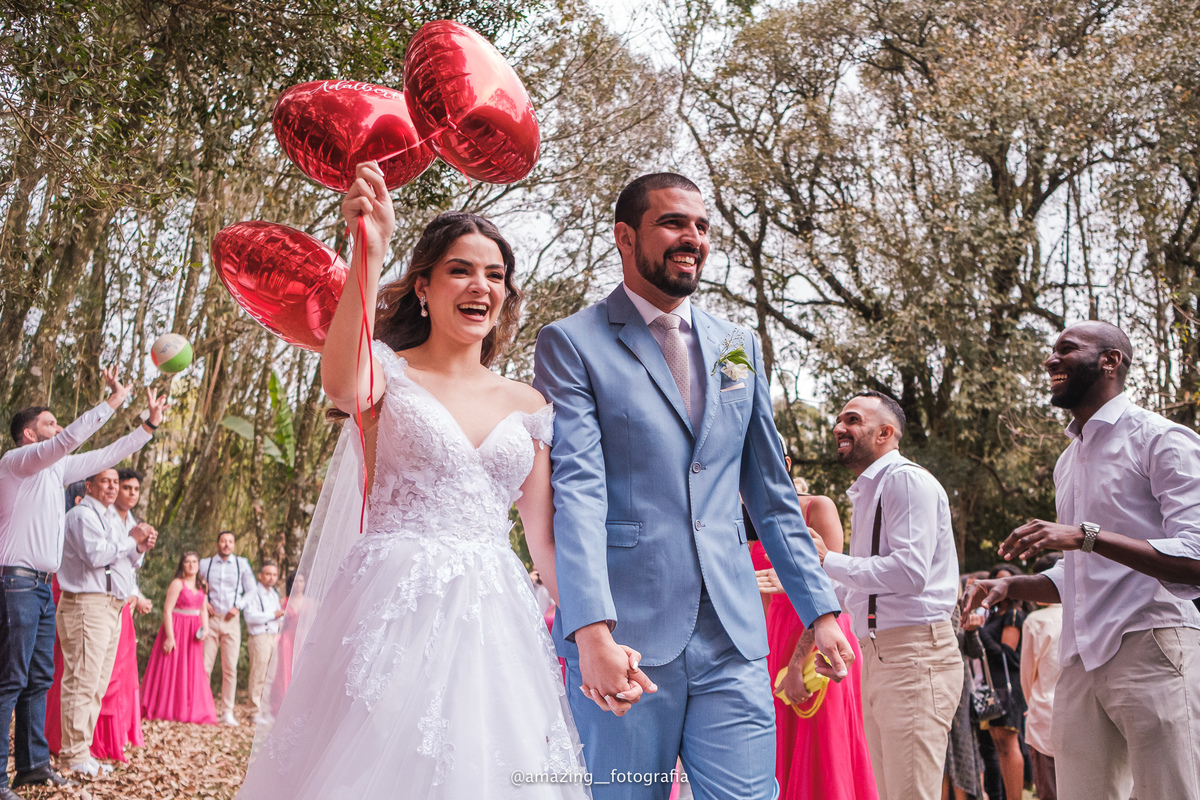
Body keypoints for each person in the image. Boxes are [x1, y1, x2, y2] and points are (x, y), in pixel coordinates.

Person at [237, 162, 587, 798]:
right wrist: (368, 251)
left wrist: (594, 634)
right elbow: (341, 384)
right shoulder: (385, 374)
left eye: (496, 274)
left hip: (495, 615)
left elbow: (544, 539)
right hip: (392, 603)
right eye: (461, 269)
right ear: (423, 287)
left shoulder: (531, 404)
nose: (481, 285)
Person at [533, 172, 851, 800]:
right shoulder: (572, 342)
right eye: (675, 223)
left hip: (732, 635)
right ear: (626, 237)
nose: (693, 238)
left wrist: (822, 609)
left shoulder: (738, 348)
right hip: (626, 635)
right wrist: (590, 630)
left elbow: (771, 494)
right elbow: (578, 492)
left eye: (702, 227)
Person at [963, 321, 1200, 800]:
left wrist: (1083, 535)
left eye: (1066, 350)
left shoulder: (1162, 439)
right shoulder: (1067, 461)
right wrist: (1014, 587)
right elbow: (1080, 571)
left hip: (1152, 644)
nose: (1051, 360)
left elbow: (1195, 558)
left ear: (1110, 361)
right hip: (1078, 660)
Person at [0, 369, 164, 798]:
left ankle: (33, 767)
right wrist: (111, 402)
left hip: (41, 587)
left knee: (40, 677)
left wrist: (147, 426)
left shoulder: (59, 472)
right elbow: (68, 441)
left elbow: (108, 451)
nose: (59, 428)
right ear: (28, 435)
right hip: (14, 583)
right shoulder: (16, 463)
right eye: (50, 422)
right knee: (11, 679)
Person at [814, 391, 963, 800]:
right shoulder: (870, 491)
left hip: (915, 654)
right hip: (881, 656)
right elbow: (858, 587)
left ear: (885, 432)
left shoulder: (905, 481)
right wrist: (819, 614)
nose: (839, 428)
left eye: (852, 420)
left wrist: (828, 559)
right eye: (839, 419)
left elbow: (909, 572)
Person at [753, 478, 877, 800]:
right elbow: (763, 600)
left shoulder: (816, 508)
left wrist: (797, 664)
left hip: (816, 638)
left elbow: (830, 593)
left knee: (822, 746)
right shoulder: (745, 517)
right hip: (773, 638)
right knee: (780, 743)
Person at [56, 468, 156, 775]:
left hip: (112, 606)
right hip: (86, 605)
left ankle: (82, 751)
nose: (113, 487)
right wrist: (130, 540)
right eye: (106, 481)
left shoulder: (111, 517)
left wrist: (139, 546)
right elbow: (97, 556)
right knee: (81, 681)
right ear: (89, 485)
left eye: (116, 482)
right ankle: (72, 755)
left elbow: (123, 560)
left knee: (97, 684)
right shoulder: (81, 516)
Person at [141, 552, 217, 725]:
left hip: (193, 631)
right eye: (187, 562)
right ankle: (167, 707)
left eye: (194, 562)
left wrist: (205, 628)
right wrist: (170, 637)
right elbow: (167, 610)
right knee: (172, 667)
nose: (191, 565)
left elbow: (203, 609)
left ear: (199, 564)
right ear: (182, 565)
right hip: (177, 627)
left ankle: (187, 708)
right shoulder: (177, 584)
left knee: (190, 668)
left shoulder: (202, 585)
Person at [974, 565, 1026, 800]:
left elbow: (1007, 655)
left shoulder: (1014, 614)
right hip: (990, 689)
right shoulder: (991, 615)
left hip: (1007, 687)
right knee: (999, 747)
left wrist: (979, 631)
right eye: (996, 581)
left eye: (1007, 581)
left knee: (1009, 744)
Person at [199, 531, 255, 726]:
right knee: (205, 666)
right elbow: (197, 586)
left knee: (230, 667)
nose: (226, 544)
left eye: (230, 541)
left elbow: (252, 590)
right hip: (211, 620)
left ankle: (227, 712)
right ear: (217, 544)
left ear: (233, 545)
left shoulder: (242, 564)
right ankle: (203, 708)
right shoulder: (205, 564)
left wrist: (238, 605)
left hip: (231, 621)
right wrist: (203, 602)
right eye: (223, 541)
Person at [1019, 554, 1062, 800]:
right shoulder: (1086, 611)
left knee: (1049, 790)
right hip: (1084, 712)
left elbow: (1028, 676)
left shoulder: (1036, 621)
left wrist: (1031, 703)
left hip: (1044, 713)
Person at [243, 560, 284, 723]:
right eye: (268, 574)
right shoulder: (253, 593)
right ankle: (254, 710)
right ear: (260, 575)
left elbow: (279, 617)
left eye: (274, 575)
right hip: (259, 637)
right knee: (258, 673)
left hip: (273, 637)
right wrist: (273, 615)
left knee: (270, 675)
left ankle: (264, 709)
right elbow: (250, 617)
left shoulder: (274, 594)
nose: (271, 578)